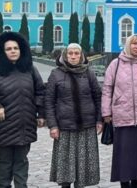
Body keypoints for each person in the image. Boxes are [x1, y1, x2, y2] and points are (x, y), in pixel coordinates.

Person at [0, 32, 46, 188]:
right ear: (3, 51)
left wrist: (41, 114)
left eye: (16, 48)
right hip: (4, 125)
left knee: (22, 160)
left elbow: (40, 91)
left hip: (25, 124)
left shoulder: (29, 69)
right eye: (9, 49)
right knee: (5, 161)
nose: (13, 51)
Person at [102, 34, 137, 188]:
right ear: (128, 45)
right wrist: (106, 112)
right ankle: (124, 182)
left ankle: (136, 182)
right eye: (134, 44)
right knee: (123, 153)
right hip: (122, 115)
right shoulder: (116, 64)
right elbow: (107, 89)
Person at [45, 43, 103, 188]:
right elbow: (49, 101)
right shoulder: (56, 73)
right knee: (65, 166)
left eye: (76, 53)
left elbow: (97, 97)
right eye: (70, 53)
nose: (73, 56)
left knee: (83, 166)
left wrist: (99, 120)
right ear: (65, 55)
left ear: (81, 55)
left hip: (86, 126)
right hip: (65, 127)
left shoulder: (88, 72)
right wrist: (52, 125)